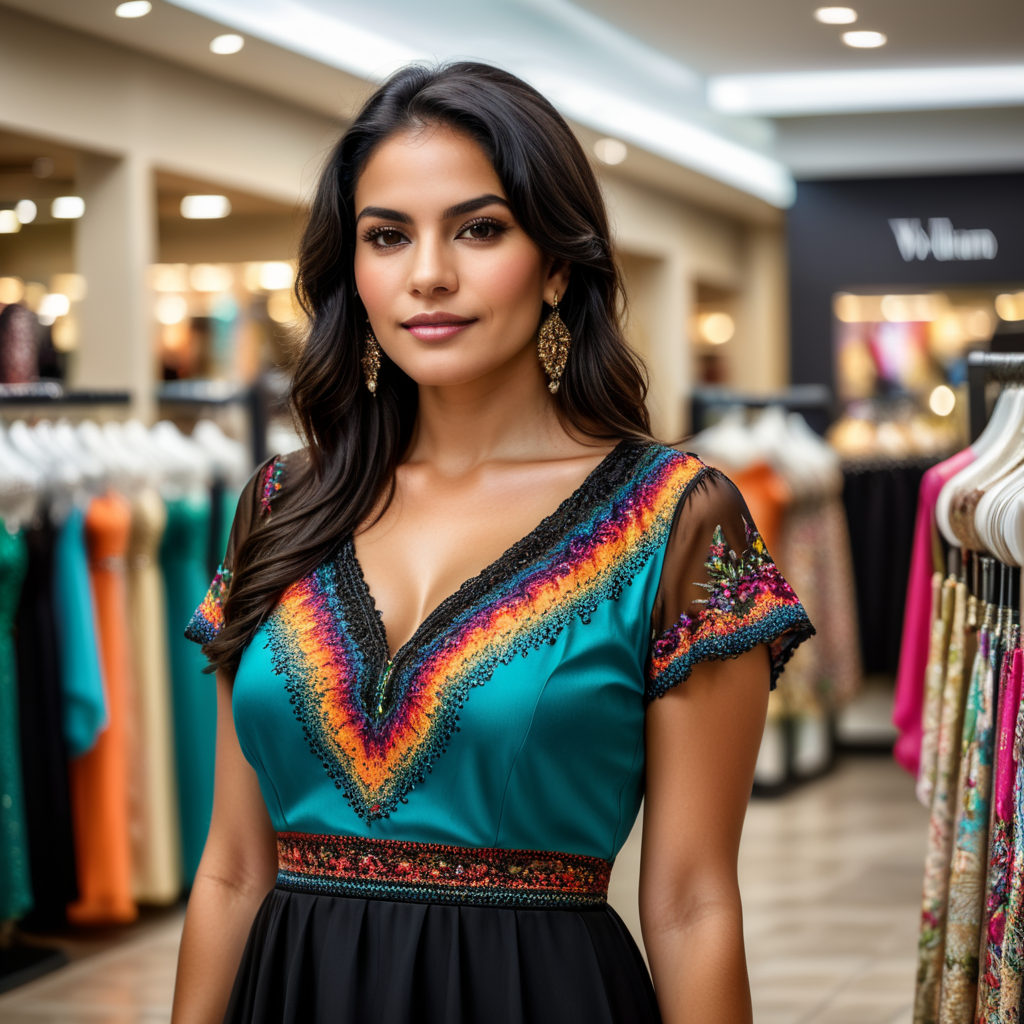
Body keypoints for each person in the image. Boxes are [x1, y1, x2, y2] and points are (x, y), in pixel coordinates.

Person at [171, 62, 813, 1024]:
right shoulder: (280, 504)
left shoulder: (677, 519)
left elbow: (690, 905)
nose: (428, 272)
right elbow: (229, 871)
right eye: (387, 236)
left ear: (558, 263)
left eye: (479, 229)